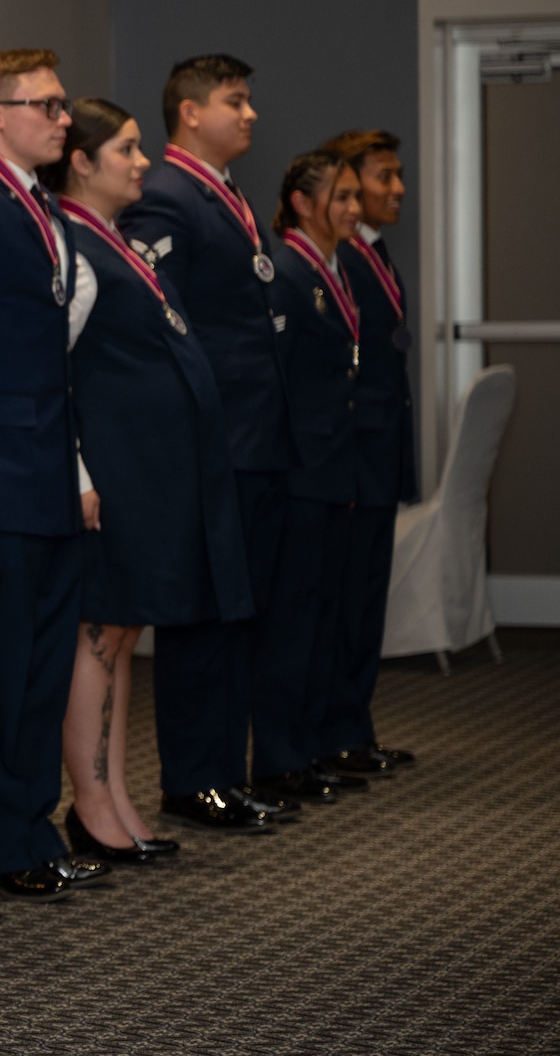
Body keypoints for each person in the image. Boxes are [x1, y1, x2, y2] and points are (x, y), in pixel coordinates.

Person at [42, 99, 259, 854]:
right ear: (81, 162)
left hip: (150, 473)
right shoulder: (70, 244)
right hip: (111, 474)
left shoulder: (115, 240)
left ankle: (112, 796)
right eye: (127, 150)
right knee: (99, 635)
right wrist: (76, 470)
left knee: (123, 631)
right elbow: (53, 372)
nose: (142, 163)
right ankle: (91, 804)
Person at [0, 48, 109, 900]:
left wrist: (73, 465)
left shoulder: (40, 201)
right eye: (43, 103)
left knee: (43, 663)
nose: (62, 117)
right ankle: (4, 841)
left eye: (61, 101)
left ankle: (33, 825)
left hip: (48, 461)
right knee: (2, 670)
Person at [120, 55, 308, 825]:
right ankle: (196, 774)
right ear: (191, 112)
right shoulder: (166, 199)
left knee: (242, 613)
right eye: (236, 101)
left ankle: (227, 767)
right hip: (216, 437)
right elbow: (166, 325)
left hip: (255, 435)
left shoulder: (221, 192)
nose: (251, 114)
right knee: (204, 617)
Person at [254, 151, 370, 800]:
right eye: (343, 197)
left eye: (357, 196)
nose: (355, 209)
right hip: (301, 473)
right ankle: (278, 755)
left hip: (333, 468)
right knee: (291, 621)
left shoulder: (335, 269)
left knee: (324, 614)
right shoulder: (289, 272)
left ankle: (311, 742)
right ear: (303, 202)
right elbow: (282, 384)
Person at [319, 129, 417, 774]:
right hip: (355, 453)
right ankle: (340, 731)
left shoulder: (375, 253)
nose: (395, 190)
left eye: (394, 176)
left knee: (365, 593)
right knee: (347, 597)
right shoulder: (346, 259)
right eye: (381, 178)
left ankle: (355, 725)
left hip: (381, 448)